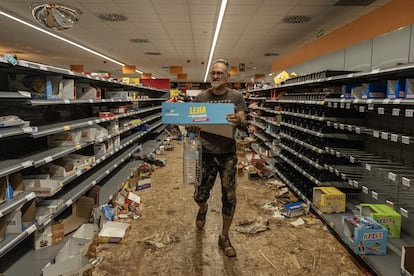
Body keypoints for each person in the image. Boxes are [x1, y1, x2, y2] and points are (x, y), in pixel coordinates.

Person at [191, 59, 248, 257]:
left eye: (219, 73)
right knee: (199, 195)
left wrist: (239, 120)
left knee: (229, 198)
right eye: (213, 73)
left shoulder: (236, 97)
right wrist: (190, 127)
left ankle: (224, 236)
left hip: (227, 155)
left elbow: (243, 122)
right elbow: (193, 122)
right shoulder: (201, 97)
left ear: (228, 77)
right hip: (205, 153)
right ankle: (203, 208)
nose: (215, 76)